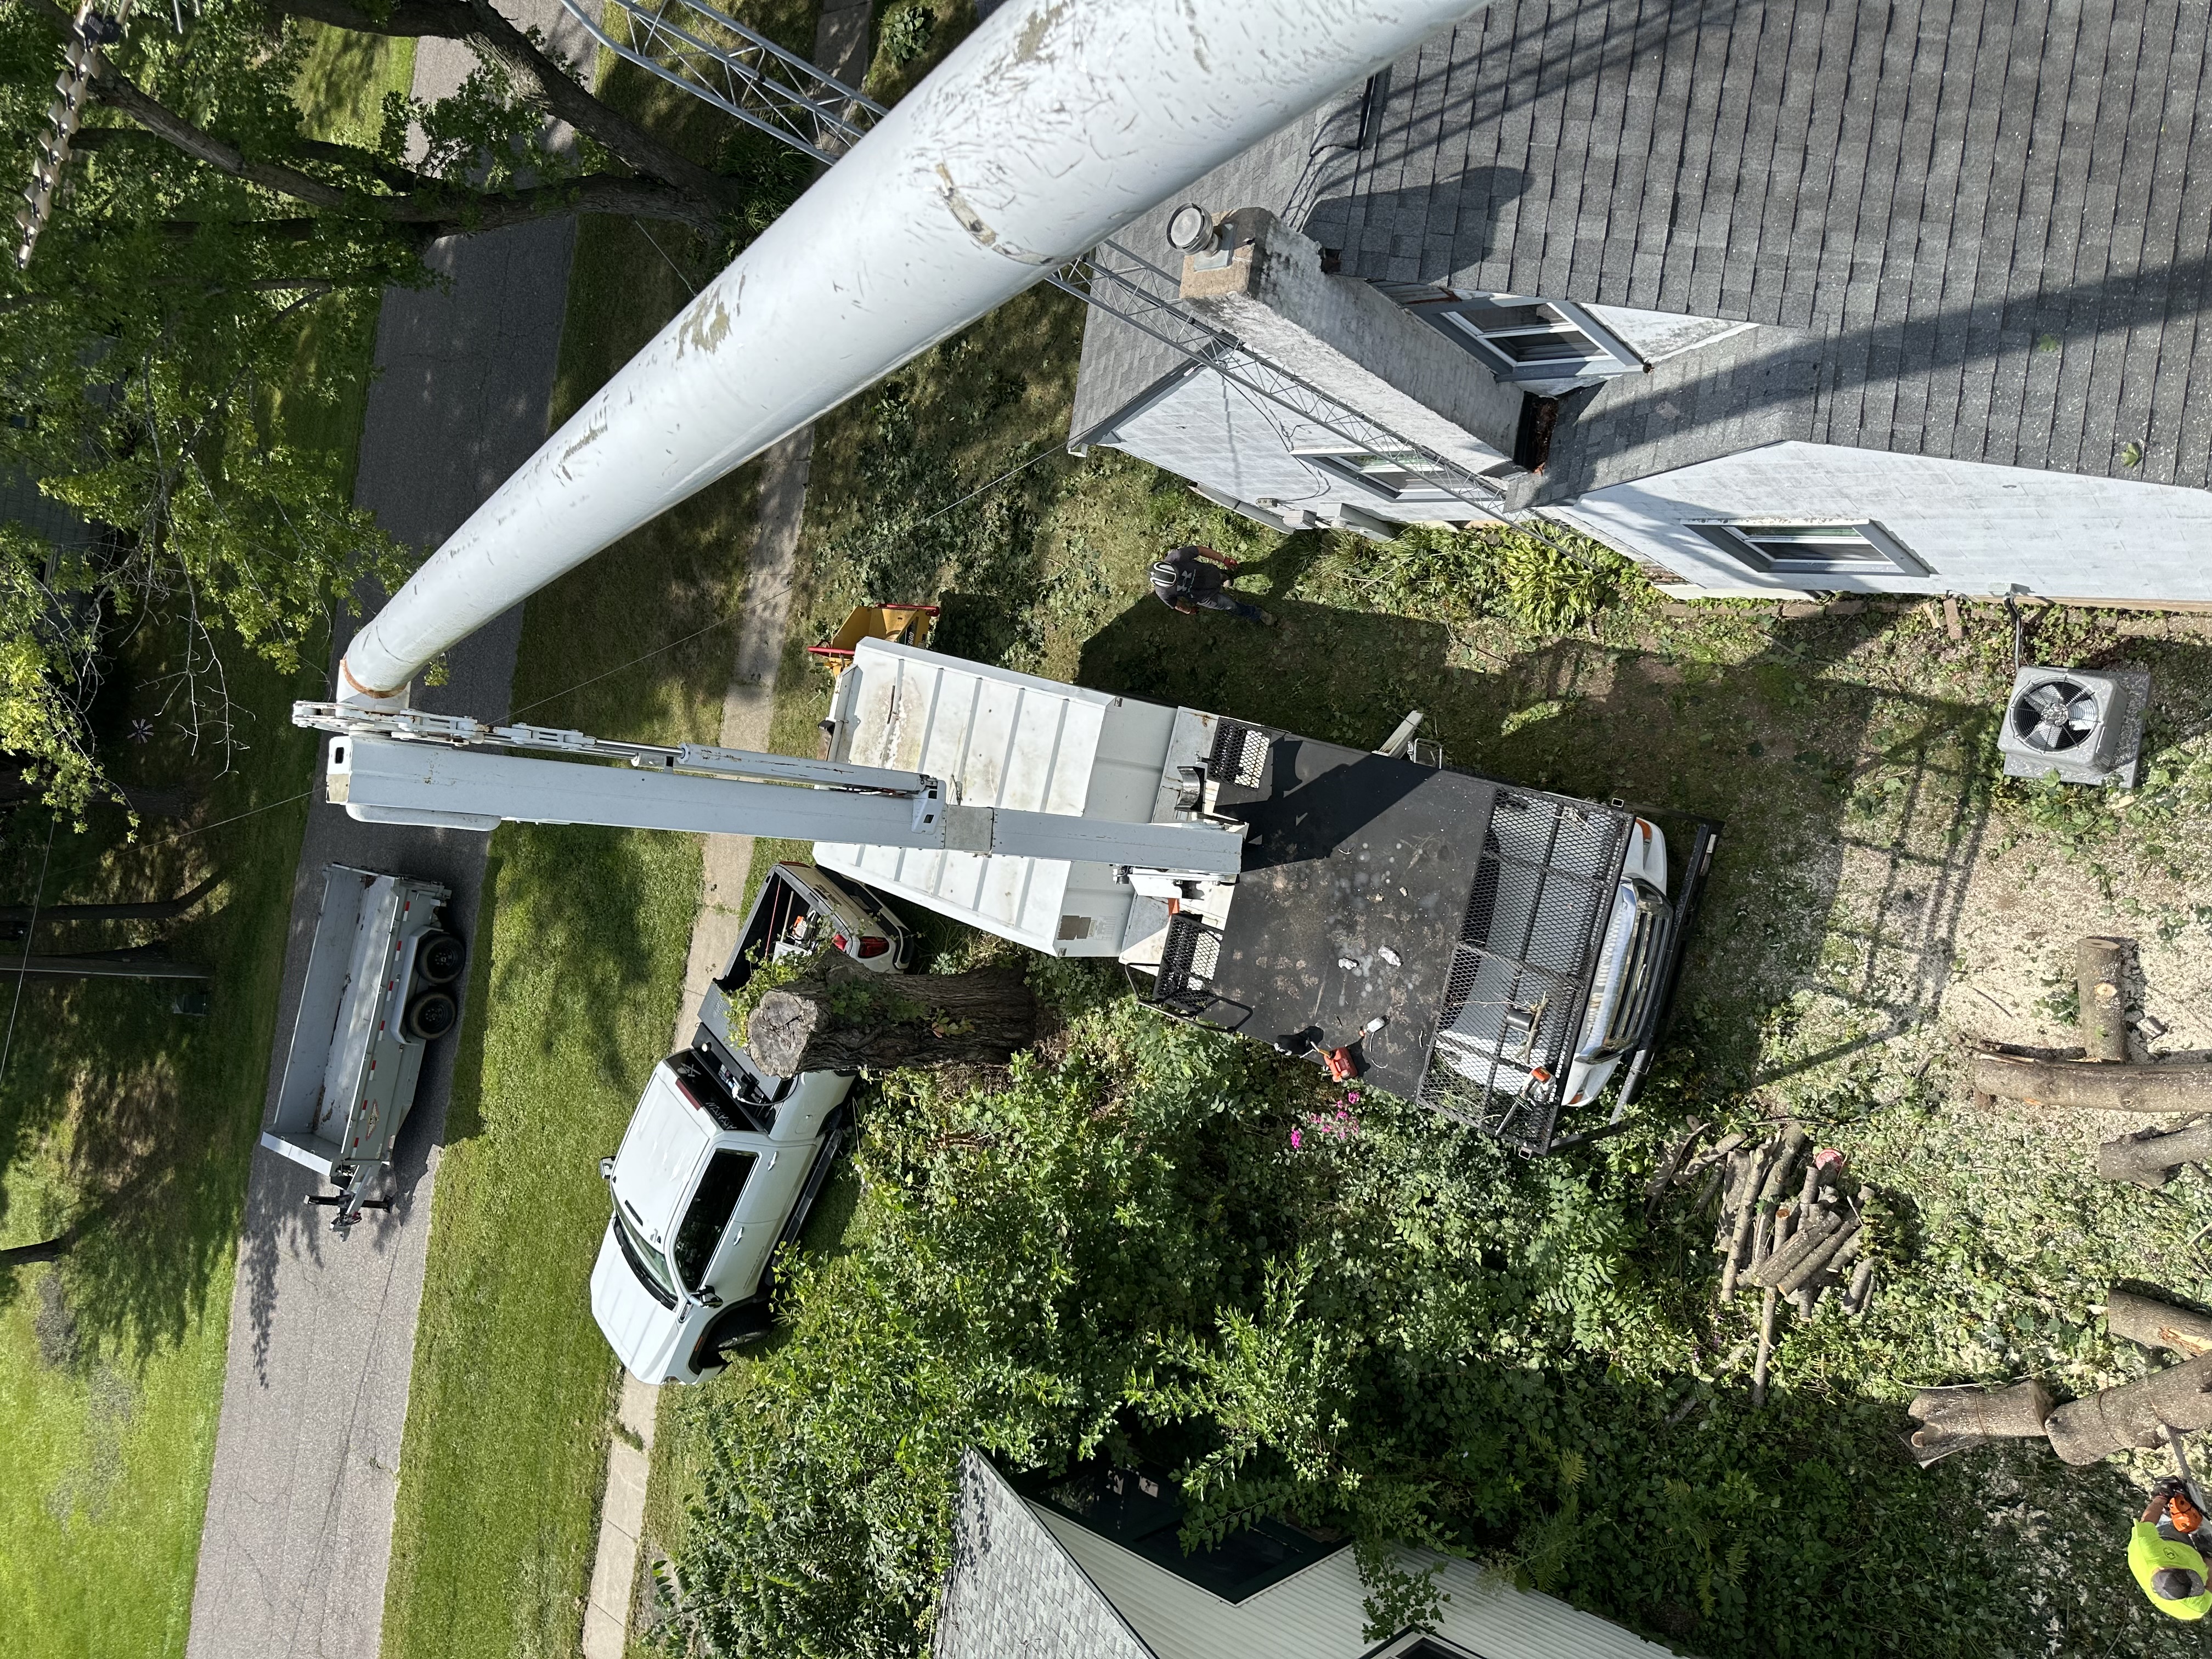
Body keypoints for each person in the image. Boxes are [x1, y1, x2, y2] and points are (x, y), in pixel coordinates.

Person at [2132, 1479, 2212, 1621]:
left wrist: (2162, 1497)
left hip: (2169, 1540)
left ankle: (2168, 1515)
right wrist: (2209, 1560)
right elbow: (2210, 1586)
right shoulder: (2195, 1609)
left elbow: (2147, 1522)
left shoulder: (2146, 1548)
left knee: (2175, 1519)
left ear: (2172, 1568)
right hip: (2192, 1558)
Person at [1149, 544, 1276, 625]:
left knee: (1220, 577)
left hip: (1210, 574)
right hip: (1204, 597)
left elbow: (1200, 550)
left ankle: (1224, 579)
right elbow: (1176, 604)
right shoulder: (1162, 592)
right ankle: (1258, 614)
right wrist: (1188, 611)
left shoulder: (1178, 557)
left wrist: (1224, 559)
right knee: (1230, 606)